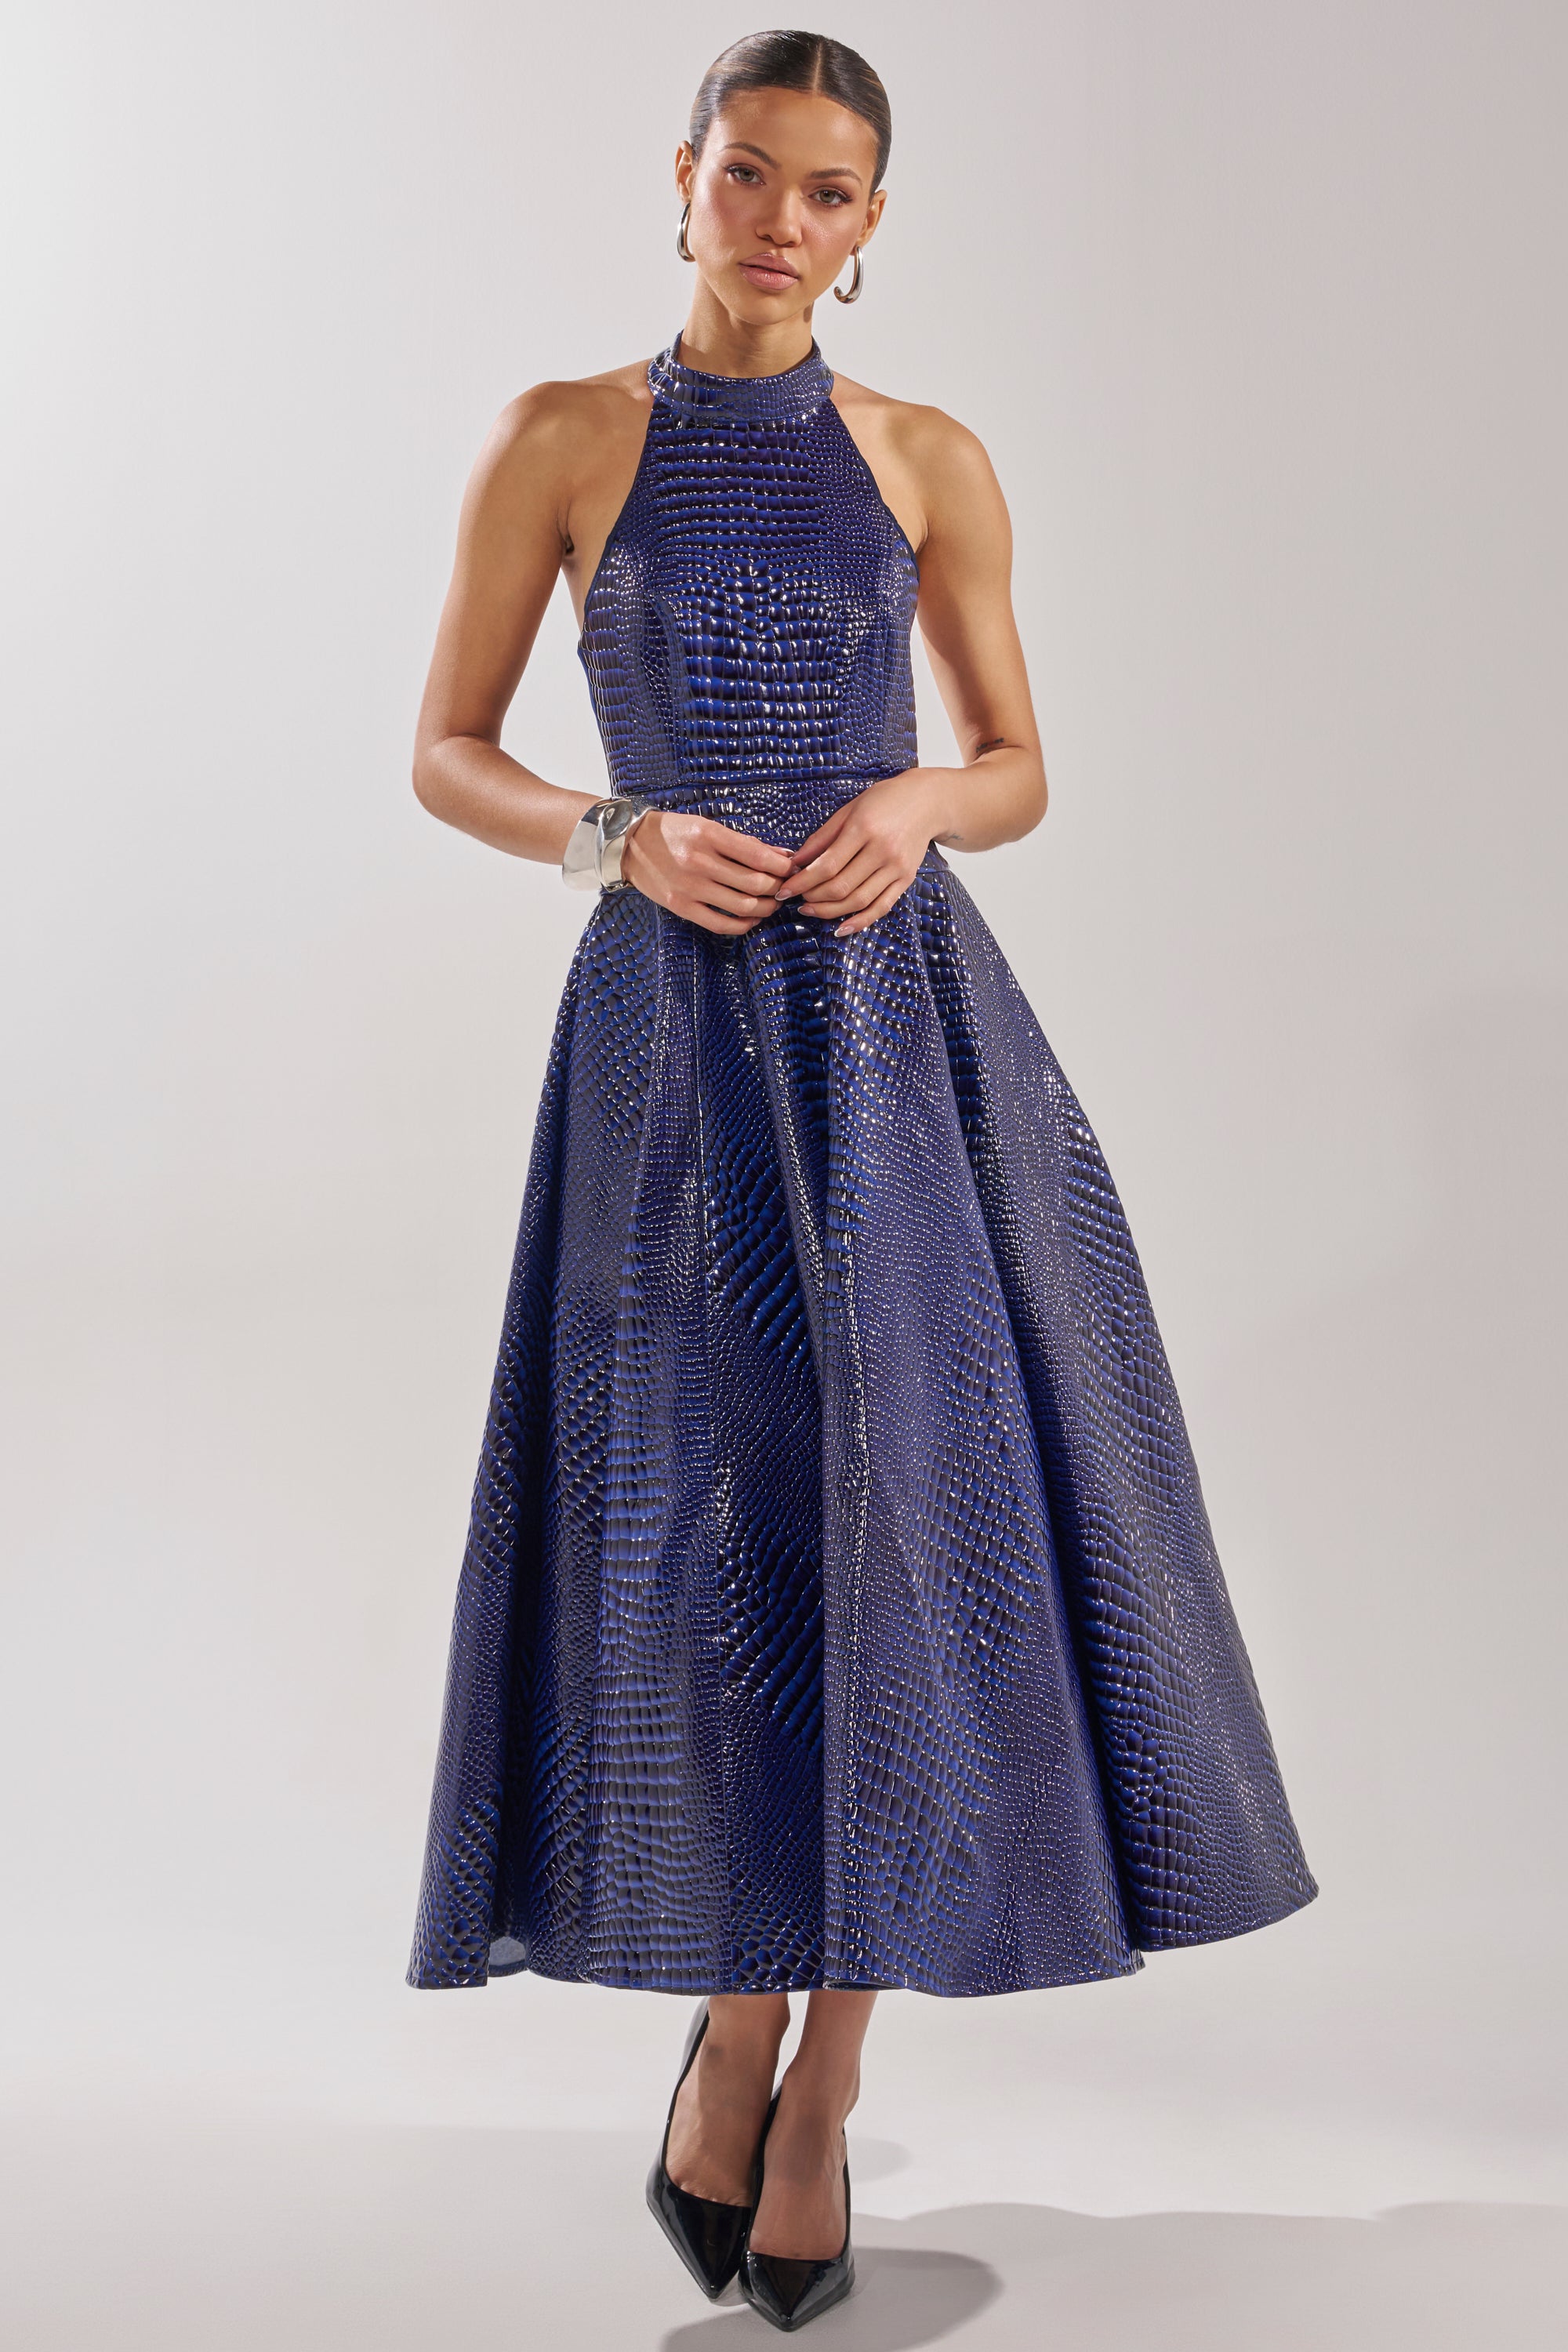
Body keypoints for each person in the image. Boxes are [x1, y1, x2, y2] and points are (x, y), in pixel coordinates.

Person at [405, 27, 1316, 2332]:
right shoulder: (563, 439)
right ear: (680, 181)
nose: (782, 220)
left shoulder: (925, 459)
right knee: (711, 1538)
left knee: (909, 1537)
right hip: (668, 1053)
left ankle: (821, 2080)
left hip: (906, 1051)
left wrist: (916, 806)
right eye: (749, 175)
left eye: (829, 193)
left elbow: (1015, 763)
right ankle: (730, 2006)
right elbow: (446, 748)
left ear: (873, 226)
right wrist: (615, 839)